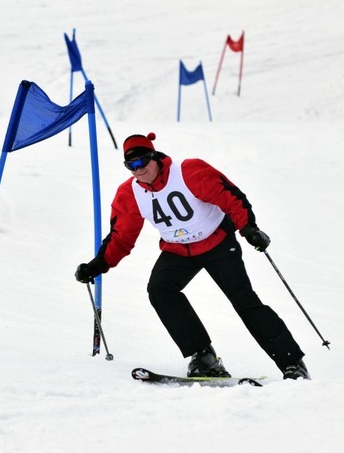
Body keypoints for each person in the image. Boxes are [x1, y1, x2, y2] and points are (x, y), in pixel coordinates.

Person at [75, 132, 309, 380]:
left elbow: (231, 197)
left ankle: (292, 363)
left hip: (217, 242)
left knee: (244, 300)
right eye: (131, 166)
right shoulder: (130, 193)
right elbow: (121, 237)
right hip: (178, 250)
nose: (138, 170)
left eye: (142, 162)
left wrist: (248, 228)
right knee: (160, 289)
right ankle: (204, 357)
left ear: (154, 157)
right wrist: (98, 264)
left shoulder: (188, 172)